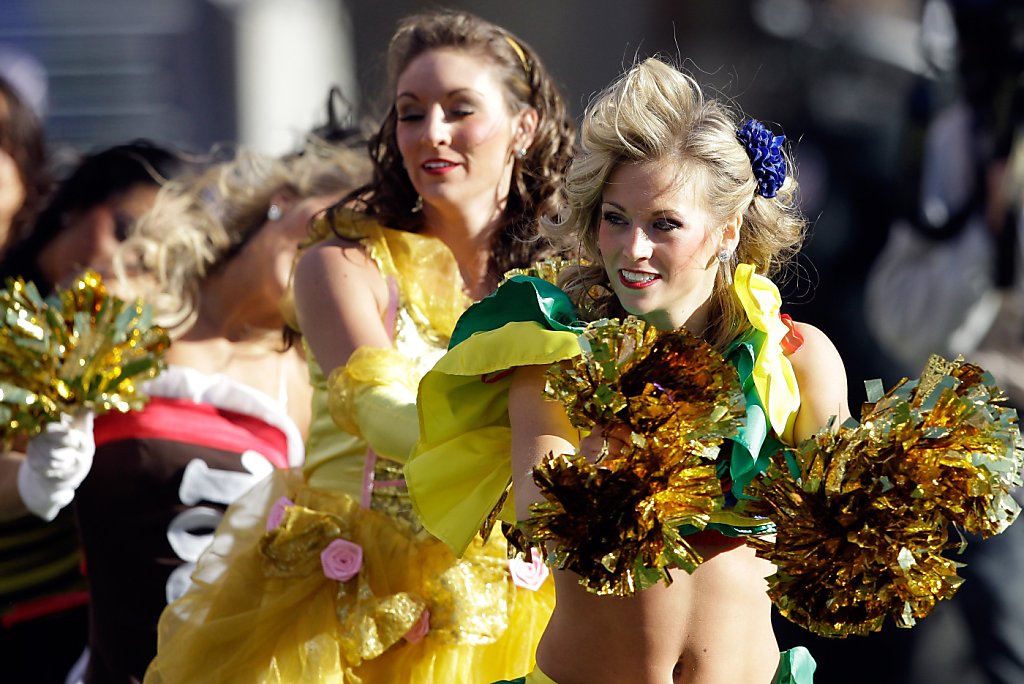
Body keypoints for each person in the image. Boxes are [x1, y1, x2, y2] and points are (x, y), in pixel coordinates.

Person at [144, 9, 575, 684]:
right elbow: (381, 412)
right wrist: (520, 429)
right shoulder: (342, 261)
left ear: (526, 126)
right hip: (350, 607)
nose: (432, 132)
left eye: (460, 109)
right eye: (411, 113)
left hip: (511, 603)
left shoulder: (565, 281)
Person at [407, 57, 850, 684]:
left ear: (727, 231)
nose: (633, 249)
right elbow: (547, 517)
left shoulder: (798, 360)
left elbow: (837, 557)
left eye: (664, 224)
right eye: (616, 219)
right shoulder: (553, 350)